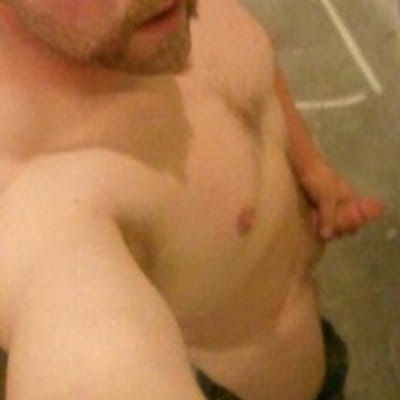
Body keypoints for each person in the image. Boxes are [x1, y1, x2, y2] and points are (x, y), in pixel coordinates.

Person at [0, 0, 382, 399]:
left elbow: (250, 53)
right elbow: (87, 352)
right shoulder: (35, 191)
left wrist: (311, 166)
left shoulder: (147, 19)